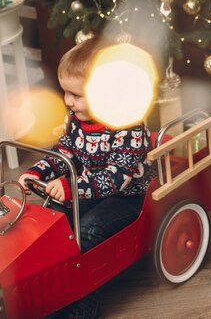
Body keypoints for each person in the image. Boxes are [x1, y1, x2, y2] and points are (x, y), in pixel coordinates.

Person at [18, 37, 155, 318]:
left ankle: (83, 307)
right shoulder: (77, 120)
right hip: (85, 191)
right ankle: (47, 290)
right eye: (65, 92)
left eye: (76, 95)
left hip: (125, 198)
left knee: (86, 233)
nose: (68, 101)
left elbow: (117, 178)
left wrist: (71, 187)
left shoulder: (128, 126)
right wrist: (37, 173)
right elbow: (63, 152)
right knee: (51, 224)